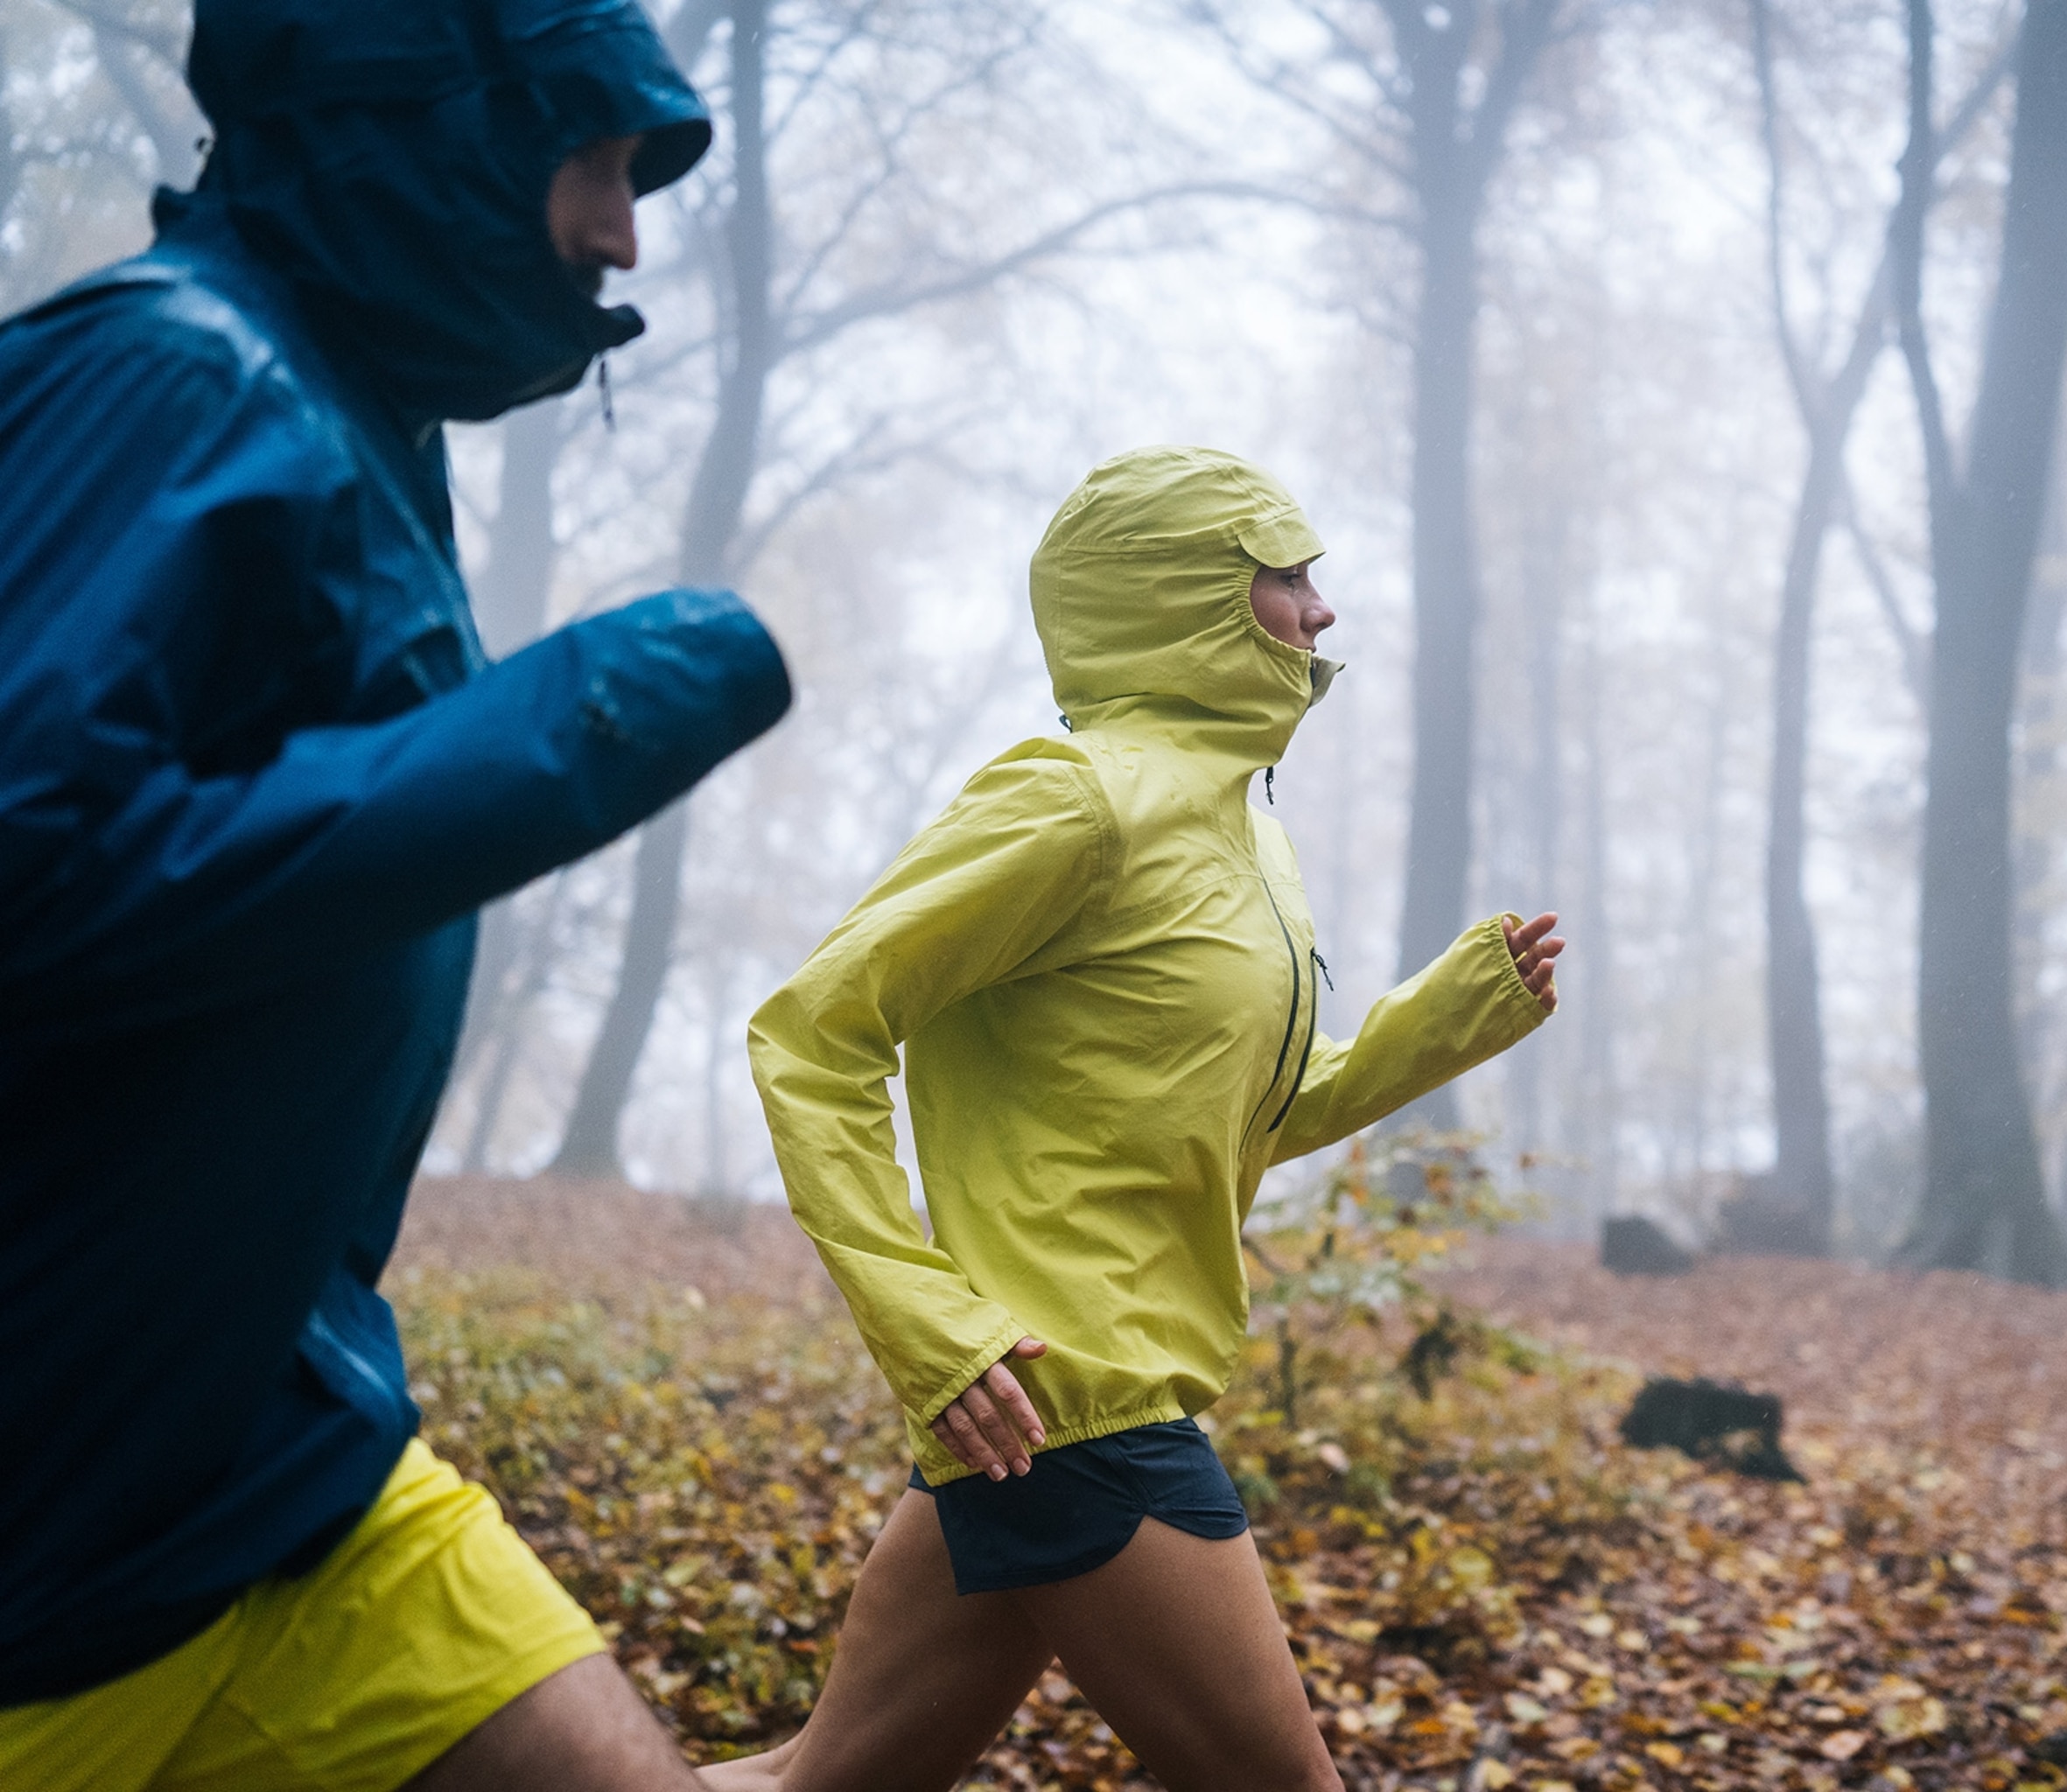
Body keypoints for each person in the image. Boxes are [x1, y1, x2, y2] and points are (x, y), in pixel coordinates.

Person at [0, 4, 791, 1788]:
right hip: (38, 1562)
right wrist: (554, 735)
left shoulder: (354, 428)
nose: (621, 236)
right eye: (593, 160)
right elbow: (25, 861)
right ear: (426, 119)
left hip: (272, 1474)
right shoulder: (172, 371)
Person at [727, 445, 1565, 1792]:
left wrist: (1448, 1017)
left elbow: (1237, 1122)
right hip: (1080, 1401)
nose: (1322, 608)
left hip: (1036, 1409)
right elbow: (811, 1034)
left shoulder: (1244, 836)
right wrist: (929, 1323)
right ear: (1189, 596)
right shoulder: (1074, 801)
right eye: (1286, 574)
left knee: (813, 1787)